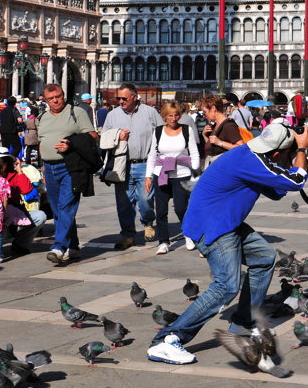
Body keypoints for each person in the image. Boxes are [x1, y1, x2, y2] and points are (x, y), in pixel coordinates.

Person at [147, 120, 308, 365]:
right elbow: (296, 182)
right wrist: (301, 150)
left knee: (265, 257)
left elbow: (277, 191)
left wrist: (292, 156)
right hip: (213, 227)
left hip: (225, 222)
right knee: (226, 286)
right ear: (277, 153)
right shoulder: (250, 161)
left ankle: (243, 322)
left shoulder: (250, 155)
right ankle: (166, 339)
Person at [37, 83, 98, 264]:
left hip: (70, 167)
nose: (56, 100)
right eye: (51, 98)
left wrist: (71, 143)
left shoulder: (76, 112)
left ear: (64, 95)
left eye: (59, 96)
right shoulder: (43, 117)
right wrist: (43, 165)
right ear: (46, 100)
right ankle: (73, 246)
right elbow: (42, 141)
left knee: (66, 206)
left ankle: (59, 247)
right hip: (49, 168)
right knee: (57, 210)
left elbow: (93, 136)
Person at [102, 83, 163, 249]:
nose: (120, 101)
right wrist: (117, 135)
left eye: (124, 98)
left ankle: (148, 222)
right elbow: (103, 138)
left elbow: (161, 133)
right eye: (118, 98)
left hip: (145, 163)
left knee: (146, 199)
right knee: (124, 203)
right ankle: (128, 235)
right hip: (122, 165)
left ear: (135, 98)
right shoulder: (112, 115)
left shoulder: (150, 112)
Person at [144, 102, 200, 255]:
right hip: (161, 173)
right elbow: (152, 155)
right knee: (161, 210)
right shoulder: (158, 131)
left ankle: (188, 234)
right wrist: (148, 176)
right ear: (164, 116)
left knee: (181, 208)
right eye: (170, 115)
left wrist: (194, 172)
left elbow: (194, 154)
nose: (174, 118)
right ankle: (163, 242)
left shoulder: (186, 130)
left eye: (176, 115)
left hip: (181, 174)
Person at [0, 147, 48, 256]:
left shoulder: (14, 175)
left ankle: (20, 244)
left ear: (7, 163)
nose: (0, 166)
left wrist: (20, 171)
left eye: (3, 162)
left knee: (40, 216)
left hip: (14, 214)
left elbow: (27, 191)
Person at [200, 94, 244, 167]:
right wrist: (204, 135)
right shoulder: (215, 125)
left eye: (205, 112)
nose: (204, 115)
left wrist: (220, 142)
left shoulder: (228, 126)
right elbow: (211, 148)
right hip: (215, 167)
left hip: (223, 169)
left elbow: (241, 147)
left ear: (213, 108)